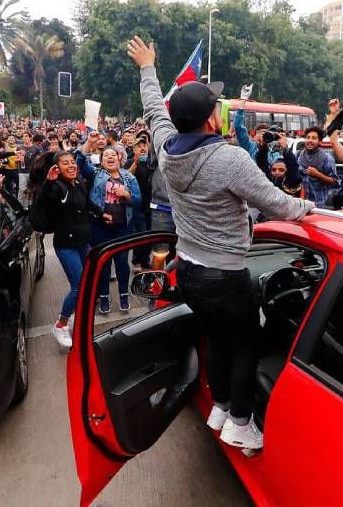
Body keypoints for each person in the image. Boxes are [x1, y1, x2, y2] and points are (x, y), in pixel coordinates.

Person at [128, 35, 313, 450]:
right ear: (211, 121)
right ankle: (241, 423)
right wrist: (310, 211)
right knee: (246, 346)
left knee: (217, 339)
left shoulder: (164, 149)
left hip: (190, 272)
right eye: (216, 107)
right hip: (226, 277)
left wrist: (147, 67)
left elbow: (153, 108)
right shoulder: (230, 159)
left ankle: (221, 405)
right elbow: (279, 205)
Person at [40, 151, 110, 348]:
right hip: (66, 246)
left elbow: (87, 203)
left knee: (88, 283)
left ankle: (75, 318)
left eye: (72, 162)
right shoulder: (57, 188)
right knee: (78, 287)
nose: (71, 165)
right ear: (57, 168)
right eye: (65, 163)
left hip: (83, 242)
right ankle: (60, 324)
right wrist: (48, 184)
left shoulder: (78, 182)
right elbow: (45, 203)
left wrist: (102, 213)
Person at [77, 147, 141, 313]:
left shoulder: (129, 177)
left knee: (121, 262)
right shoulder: (96, 174)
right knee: (103, 263)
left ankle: (124, 296)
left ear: (120, 158)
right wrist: (89, 144)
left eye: (113, 154)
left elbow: (138, 201)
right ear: (101, 160)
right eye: (106, 155)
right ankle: (104, 297)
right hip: (99, 228)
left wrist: (126, 194)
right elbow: (81, 162)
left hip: (122, 228)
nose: (110, 157)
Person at [126, 137, 153, 272]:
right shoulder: (130, 162)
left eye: (145, 145)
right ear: (134, 149)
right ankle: (136, 261)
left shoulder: (151, 163)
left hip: (151, 205)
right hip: (137, 205)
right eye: (139, 146)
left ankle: (145, 260)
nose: (142, 148)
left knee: (149, 234)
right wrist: (135, 164)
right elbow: (125, 178)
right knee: (140, 234)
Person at [297, 126, 339, 207]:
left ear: (320, 142)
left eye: (314, 138)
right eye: (308, 137)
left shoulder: (327, 158)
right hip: (303, 206)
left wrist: (318, 175)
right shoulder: (299, 156)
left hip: (321, 206)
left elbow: (335, 182)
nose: (309, 140)